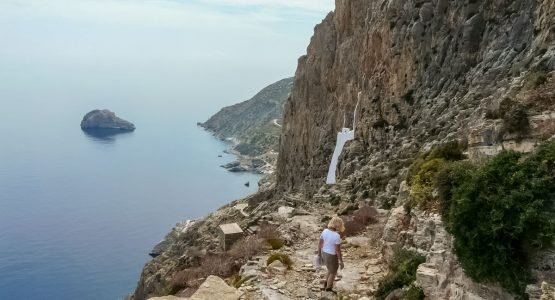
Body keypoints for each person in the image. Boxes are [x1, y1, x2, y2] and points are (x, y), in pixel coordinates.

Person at [317, 216, 345, 292]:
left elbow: (320, 244)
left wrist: (319, 254)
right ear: (339, 225)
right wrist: (341, 261)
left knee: (329, 269)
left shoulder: (325, 231)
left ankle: (326, 284)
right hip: (331, 255)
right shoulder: (337, 236)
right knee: (333, 272)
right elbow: (338, 251)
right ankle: (328, 288)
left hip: (324, 253)